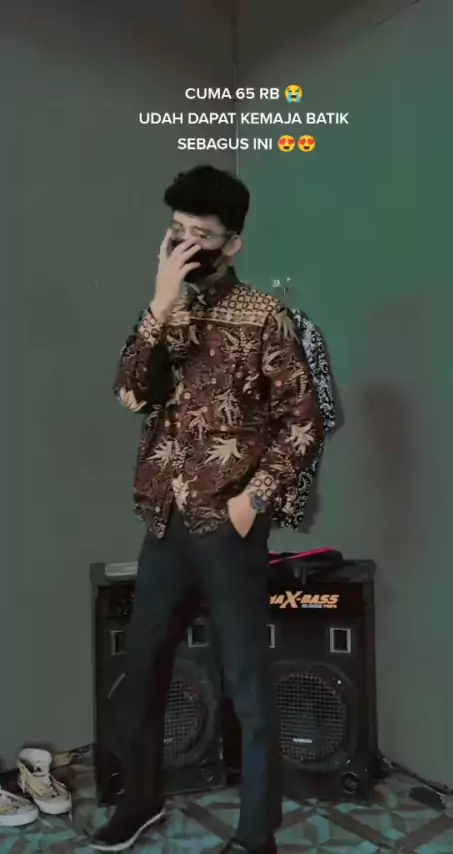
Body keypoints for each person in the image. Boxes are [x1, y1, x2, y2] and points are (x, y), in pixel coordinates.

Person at [91, 165, 323, 853]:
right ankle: (140, 802)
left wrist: (254, 500)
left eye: (203, 235)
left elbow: (302, 423)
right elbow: (130, 394)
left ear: (233, 243)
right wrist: (159, 304)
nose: (187, 246)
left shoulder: (266, 317)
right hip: (164, 521)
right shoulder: (167, 311)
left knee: (246, 682)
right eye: (177, 232)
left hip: (229, 527)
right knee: (143, 668)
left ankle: (256, 836)